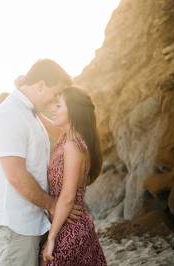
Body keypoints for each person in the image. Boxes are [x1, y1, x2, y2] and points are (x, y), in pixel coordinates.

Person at [0, 59, 82, 266]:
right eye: (55, 94)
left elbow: (63, 134)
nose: (55, 101)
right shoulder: (11, 115)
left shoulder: (28, 112)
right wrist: (52, 205)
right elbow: (15, 175)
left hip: (27, 225)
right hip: (12, 229)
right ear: (41, 85)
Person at [40, 87, 107, 265]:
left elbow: (68, 196)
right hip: (68, 222)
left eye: (59, 106)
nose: (53, 109)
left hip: (71, 227)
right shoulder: (67, 139)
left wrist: (52, 239)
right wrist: (30, 106)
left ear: (73, 112)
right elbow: (49, 125)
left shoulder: (72, 145)